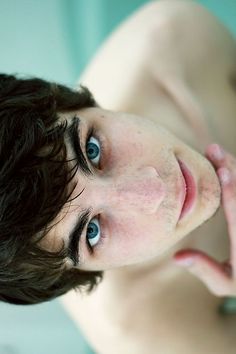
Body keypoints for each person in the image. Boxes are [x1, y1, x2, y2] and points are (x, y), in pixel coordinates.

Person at [1, 0, 236, 353]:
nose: (154, 192)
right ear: (81, 275)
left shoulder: (171, 41)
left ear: (78, 102)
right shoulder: (144, 332)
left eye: (92, 149)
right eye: (92, 233)